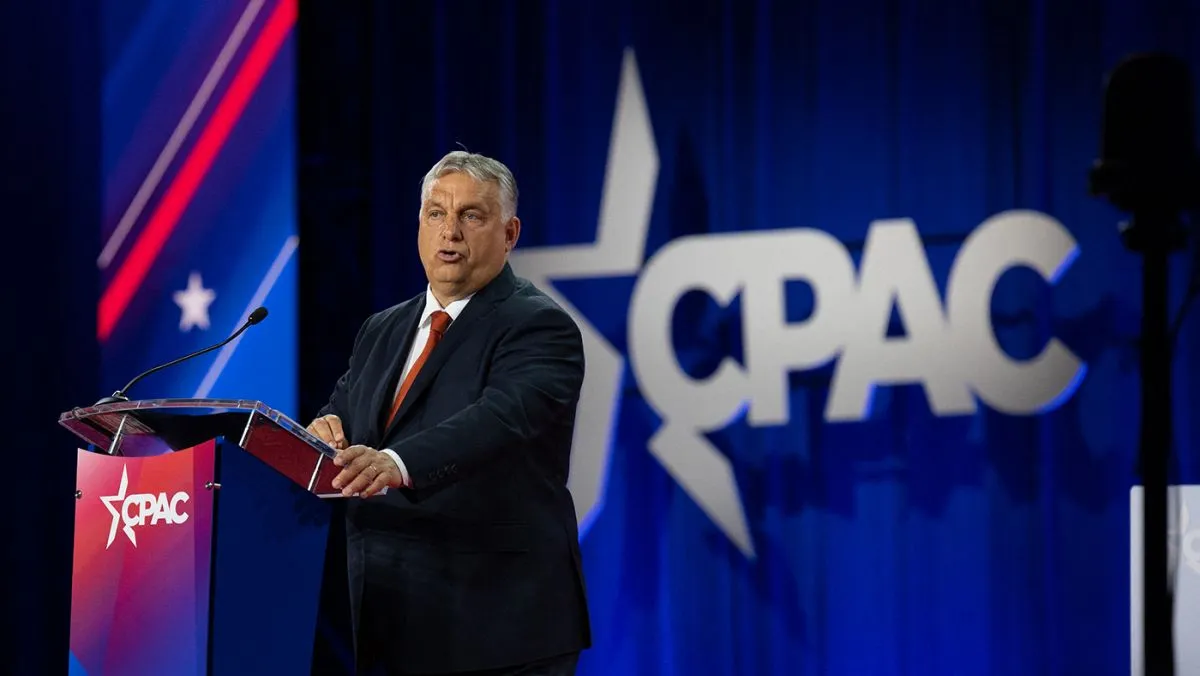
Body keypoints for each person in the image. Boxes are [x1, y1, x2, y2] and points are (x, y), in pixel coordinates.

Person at [307, 151, 591, 675]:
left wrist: (397, 462)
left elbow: (500, 419)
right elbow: (344, 410)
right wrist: (326, 430)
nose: (450, 232)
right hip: (392, 620)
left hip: (500, 626)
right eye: (436, 213)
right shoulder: (382, 329)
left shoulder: (538, 326)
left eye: (471, 216)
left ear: (509, 233)